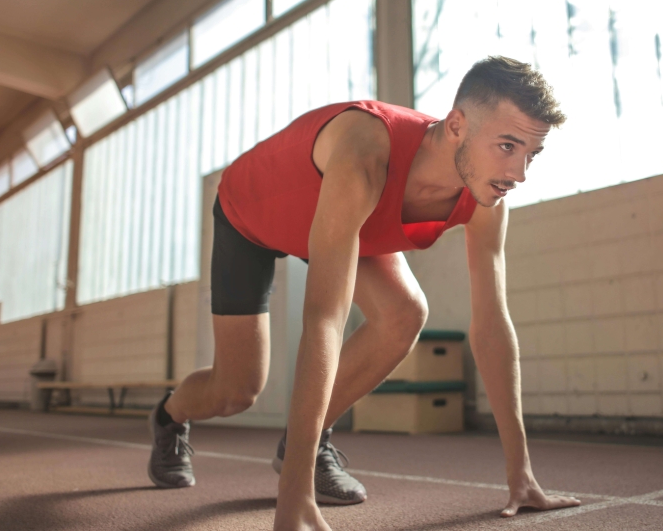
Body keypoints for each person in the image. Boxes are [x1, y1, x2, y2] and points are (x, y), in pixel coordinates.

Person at [147, 55, 582, 530]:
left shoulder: (487, 198)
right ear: (457, 125)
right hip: (252, 215)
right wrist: (293, 498)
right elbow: (324, 318)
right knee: (236, 391)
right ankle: (170, 416)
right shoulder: (366, 153)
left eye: (532, 153)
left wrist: (521, 474)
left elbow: (493, 325)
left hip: (346, 222)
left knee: (404, 313)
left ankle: (306, 444)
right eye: (507, 146)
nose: (519, 173)